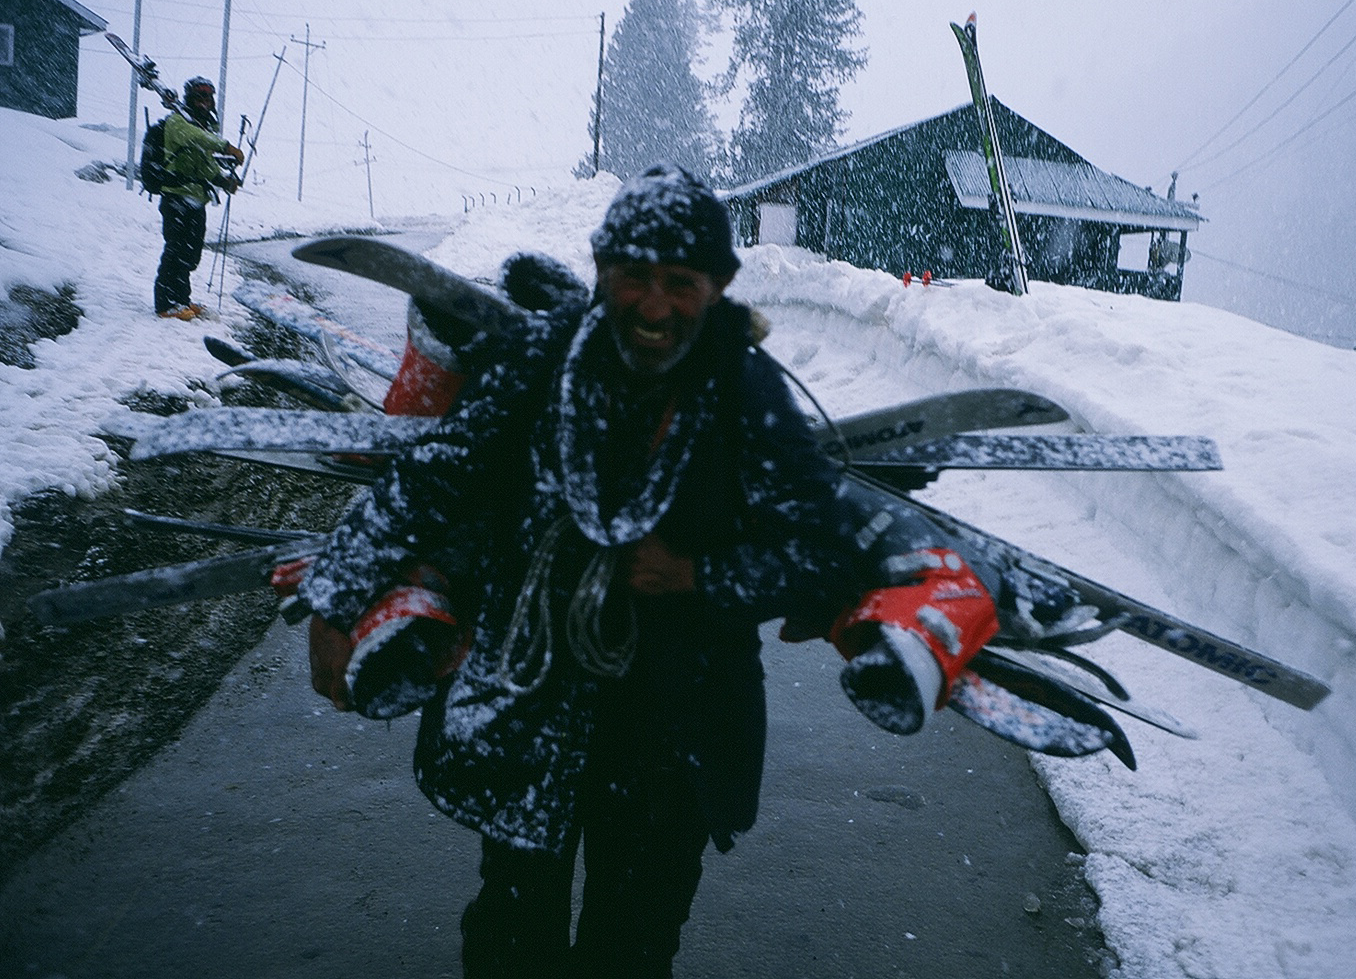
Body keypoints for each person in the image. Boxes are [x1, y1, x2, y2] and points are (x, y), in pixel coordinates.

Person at [297, 164, 863, 978]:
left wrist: (697, 575)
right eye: (634, 276)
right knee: (510, 937)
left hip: (678, 722)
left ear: (721, 284)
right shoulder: (541, 355)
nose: (657, 305)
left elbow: (816, 549)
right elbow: (436, 472)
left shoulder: (750, 395)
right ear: (600, 269)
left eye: (681, 281)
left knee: (629, 949)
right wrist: (335, 599)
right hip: (533, 705)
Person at [153, 76, 242, 320]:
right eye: (198, 96)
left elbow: (204, 164)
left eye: (208, 96)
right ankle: (164, 304)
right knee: (175, 250)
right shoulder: (178, 122)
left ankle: (182, 300)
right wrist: (225, 146)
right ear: (189, 99)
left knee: (190, 254)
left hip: (196, 199)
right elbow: (194, 138)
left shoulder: (205, 126)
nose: (204, 101)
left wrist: (222, 180)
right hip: (176, 197)